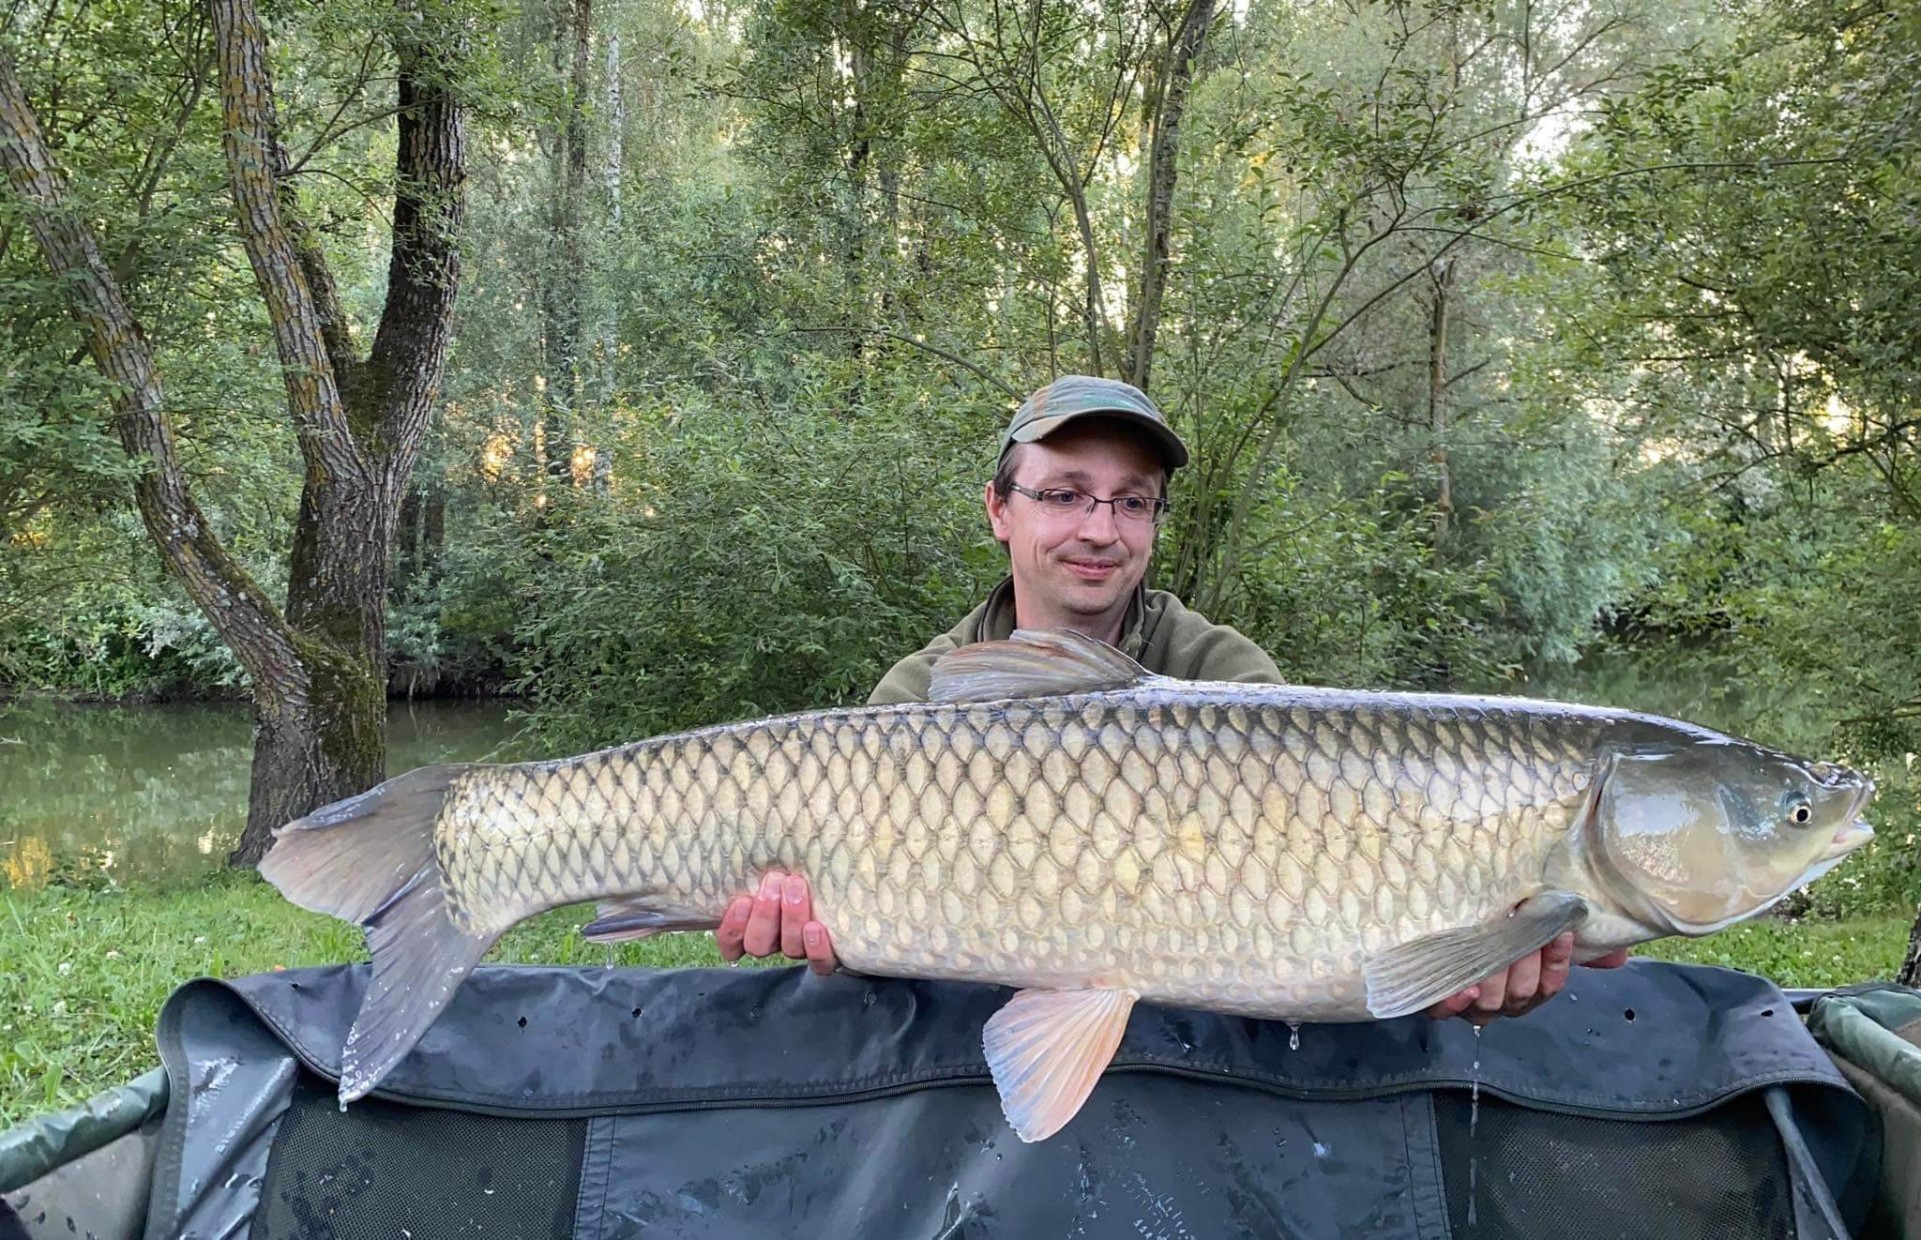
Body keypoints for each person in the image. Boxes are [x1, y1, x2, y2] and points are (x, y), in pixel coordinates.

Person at [714, 375, 1626, 1024]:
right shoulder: (920, 695)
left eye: (1131, 502)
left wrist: (1466, 979)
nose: (1098, 531)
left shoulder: (1227, 678)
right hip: (973, 1027)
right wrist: (807, 929)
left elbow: (1336, 911)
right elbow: (869, 950)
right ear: (999, 509)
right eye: (1065, 495)